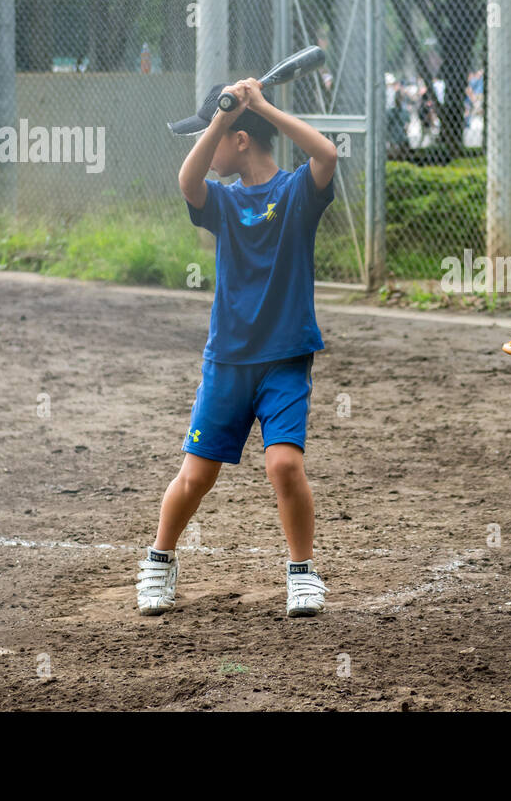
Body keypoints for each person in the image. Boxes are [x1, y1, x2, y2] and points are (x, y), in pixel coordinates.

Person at [140, 79, 339, 617]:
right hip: (227, 360)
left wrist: (260, 107)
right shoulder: (222, 201)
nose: (209, 144)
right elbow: (188, 180)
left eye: (218, 135)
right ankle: (160, 559)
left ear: (243, 139)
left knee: (283, 467)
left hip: (284, 360)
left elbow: (328, 153)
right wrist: (221, 120)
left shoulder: (297, 192)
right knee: (196, 476)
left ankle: (301, 572)